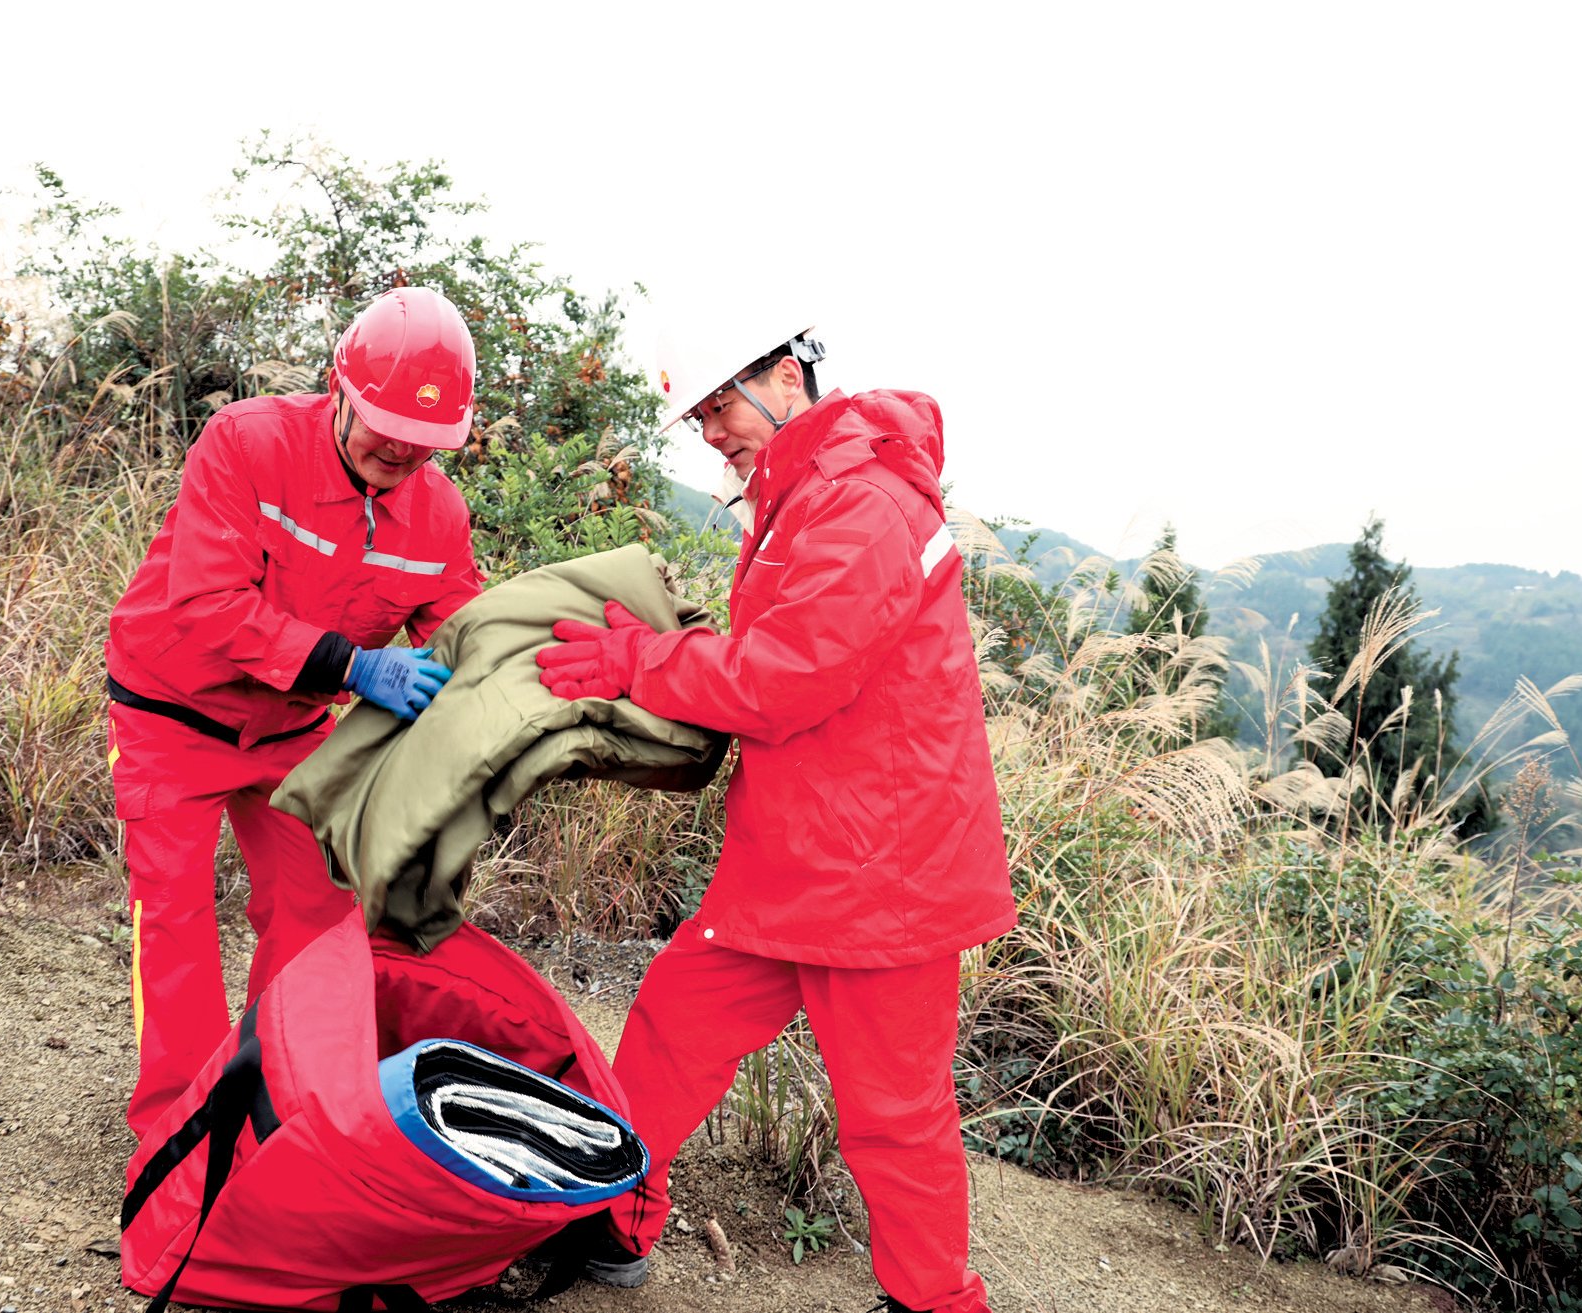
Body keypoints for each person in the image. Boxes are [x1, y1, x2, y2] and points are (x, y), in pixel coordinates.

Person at [534, 317, 1016, 1313]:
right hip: (805, 851)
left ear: (784, 376)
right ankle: (611, 1219)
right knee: (672, 1023)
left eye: (720, 402)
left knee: (892, 1114)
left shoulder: (862, 500)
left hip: (886, 872)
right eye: (700, 412)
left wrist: (639, 662)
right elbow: (794, 650)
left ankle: (934, 1301)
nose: (709, 429)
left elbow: (784, 679)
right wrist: (676, 646)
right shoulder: (808, 491)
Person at [105, 286, 484, 1138]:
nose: (400, 452)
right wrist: (357, 667)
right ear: (338, 387)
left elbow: (460, 630)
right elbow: (207, 601)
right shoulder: (248, 442)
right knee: (174, 920)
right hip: (169, 714)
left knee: (314, 915)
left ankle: (274, 1099)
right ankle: (184, 1127)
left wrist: (505, 691)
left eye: (423, 444)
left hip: (291, 733)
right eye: (386, 428)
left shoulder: (440, 516)